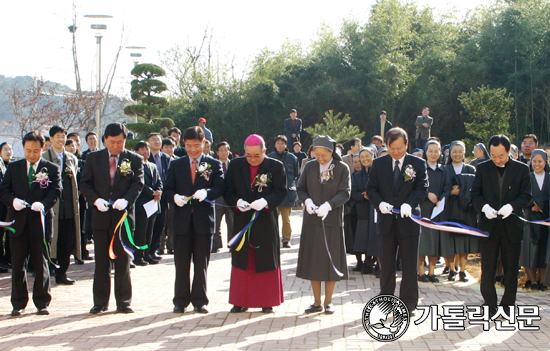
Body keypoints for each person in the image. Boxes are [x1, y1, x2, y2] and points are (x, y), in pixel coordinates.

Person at [80, 123, 144, 314]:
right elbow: (85, 183)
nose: (116, 146)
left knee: (122, 260)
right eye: (112, 142)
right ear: (105, 140)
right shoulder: (93, 158)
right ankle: (100, 302)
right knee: (101, 261)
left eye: (120, 142)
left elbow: (138, 183)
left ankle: (123, 301)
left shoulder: (134, 159)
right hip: (100, 216)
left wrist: (126, 200)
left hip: (122, 217)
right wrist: (95, 200)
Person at [366, 127, 428, 315]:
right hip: (386, 221)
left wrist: (410, 204)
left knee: (409, 265)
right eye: (392, 148)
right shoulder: (379, 164)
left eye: (400, 148)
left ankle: (408, 303)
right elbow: (371, 189)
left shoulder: (417, 163)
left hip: (408, 221)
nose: (396, 152)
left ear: (407, 145)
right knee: (386, 266)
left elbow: (422, 188)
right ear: (386, 145)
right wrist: (380, 204)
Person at [0, 131, 62, 316]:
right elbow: (3, 191)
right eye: (28, 150)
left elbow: (57, 191)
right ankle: (18, 303)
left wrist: (43, 204)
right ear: (23, 148)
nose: (32, 154)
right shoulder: (14, 167)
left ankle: (42, 302)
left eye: (36, 150)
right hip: (18, 223)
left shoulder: (50, 168)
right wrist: (12, 202)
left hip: (40, 222)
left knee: (41, 262)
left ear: (43, 148)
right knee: (18, 264)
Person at [164, 126, 224, 314]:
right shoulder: (176, 164)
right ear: (184, 144)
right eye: (189, 146)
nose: (193, 150)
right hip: (181, 221)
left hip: (203, 221)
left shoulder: (212, 164)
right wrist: (174, 198)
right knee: (181, 263)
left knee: (201, 262)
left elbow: (220, 188)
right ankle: (180, 301)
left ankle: (200, 300)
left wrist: (207, 192)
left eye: (197, 145)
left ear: (204, 143)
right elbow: (167, 190)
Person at [224, 134, 286, 313]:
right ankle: (239, 301)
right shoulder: (235, 165)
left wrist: (266, 201)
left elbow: (281, 191)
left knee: (265, 258)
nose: (252, 159)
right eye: (248, 155)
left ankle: (267, 301)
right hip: (242, 219)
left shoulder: (275, 166)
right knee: (242, 259)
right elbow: (227, 190)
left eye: (257, 156)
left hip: (265, 220)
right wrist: (236, 201)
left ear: (264, 151)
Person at [471, 134, 531, 318]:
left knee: (511, 267)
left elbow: (526, 196)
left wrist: (511, 206)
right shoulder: (482, 168)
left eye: (501, 156)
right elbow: (475, 194)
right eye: (493, 155)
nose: (497, 160)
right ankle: (489, 304)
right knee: (487, 266)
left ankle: (508, 304)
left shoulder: (521, 169)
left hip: (511, 225)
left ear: (509, 152)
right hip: (489, 225)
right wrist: (484, 207)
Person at [296, 135, 350, 314]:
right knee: (313, 262)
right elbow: (301, 188)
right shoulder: (309, 166)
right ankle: (316, 301)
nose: (320, 158)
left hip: (332, 221)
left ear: (331, 152)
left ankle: (328, 301)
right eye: (316, 154)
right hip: (312, 221)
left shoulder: (342, 168)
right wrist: (307, 201)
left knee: (330, 260)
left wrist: (330, 205)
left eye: (324, 155)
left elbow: (345, 192)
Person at [42, 126, 81, 285]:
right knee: (49, 241)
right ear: (50, 139)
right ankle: (45, 272)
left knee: (66, 241)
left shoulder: (72, 158)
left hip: (69, 208)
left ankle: (62, 273)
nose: (61, 139)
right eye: (57, 136)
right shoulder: (43, 157)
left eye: (63, 136)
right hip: (51, 208)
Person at [443, 141, 477, 282]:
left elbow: (476, 189)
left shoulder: (471, 170)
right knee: (450, 240)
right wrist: (451, 192)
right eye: (454, 151)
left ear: (464, 153)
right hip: (450, 208)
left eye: (460, 151)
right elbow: (442, 188)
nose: (457, 154)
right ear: (450, 153)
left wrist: (463, 192)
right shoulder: (445, 169)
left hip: (467, 209)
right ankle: (452, 269)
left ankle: (463, 270)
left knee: (465, 241)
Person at [418, 140, 451, 283]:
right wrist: (428, 195)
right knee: (422, 242)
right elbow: (415, 187)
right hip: (422, 209)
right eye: (430, 151)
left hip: (437, 211)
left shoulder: (443, 170)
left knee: (434, 242)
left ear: (440, 153)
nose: (433, 154)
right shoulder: (420, 168)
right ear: (425, 153)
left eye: (436, 151)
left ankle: (432, 272)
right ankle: (420, 272)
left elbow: (448, 188)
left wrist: (441, 199)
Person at [520, 149, 549, 291]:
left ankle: (543, 281)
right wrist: (533, 203)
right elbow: (521, 196)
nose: (537, 164)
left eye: (540, 161)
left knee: (543, 250)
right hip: (529, 218)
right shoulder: (526, 177)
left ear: (545, 162)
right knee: (529, 250)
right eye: (534, 161)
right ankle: (533, 280)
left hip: (546, 219)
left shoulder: (549, 178)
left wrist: (541, 204)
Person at [133, 141, 162, 266]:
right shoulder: (135, 165)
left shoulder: (152, 165)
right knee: (141, 230)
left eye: (147, 149)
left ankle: (148, 254)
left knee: (150, 230)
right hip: (142, 203)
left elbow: (159, 180)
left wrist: (159, 191)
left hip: (153, 203)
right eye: (142, 149)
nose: (145, 152)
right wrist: (151, 192)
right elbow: (140, 183)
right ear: (137, 152)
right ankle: (138, 256)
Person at [268, 135, 299, 249]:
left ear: (286, 145)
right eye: (278, 143)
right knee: (273, 220)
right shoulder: (269, 158)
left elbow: (296, 174)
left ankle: (286, 240)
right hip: (273, 195)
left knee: (286, 220)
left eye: (282, 143)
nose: (280, 145)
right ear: (275, 145)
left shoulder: (292, 158)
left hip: (287, 194)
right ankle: (274, 239)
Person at [351, 147, 376, 274]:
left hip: (376, 210)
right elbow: (353, 192)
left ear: (373, 156)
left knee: (374, 237)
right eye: (362, 157)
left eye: (367, 156)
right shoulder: (356, 176)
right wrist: (362, 195)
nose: (365, 159)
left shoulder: (378, 172)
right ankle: (363, 262)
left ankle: (373, 262)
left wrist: (373, 195)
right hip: (362, 210)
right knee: (362, 238)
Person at [147, 133, 170, 259]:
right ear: (148, 142)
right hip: (149, 197)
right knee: (149, 225)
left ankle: (154, 250)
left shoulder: (166, 158)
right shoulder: (145, 156)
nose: (157, 142)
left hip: (163, 196)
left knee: (160, 224)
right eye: (153, 140)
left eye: (158, 139)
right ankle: (146, 251)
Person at [212, 142, 233, 253]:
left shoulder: (234, 165)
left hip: (230, 199)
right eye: (221, 150)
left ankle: (232, 244)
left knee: (232, 223)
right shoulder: (214, 165)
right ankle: (216, 245)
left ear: (229, 152)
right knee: (216, 223)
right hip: (217, 199)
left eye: (226, 150)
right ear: (217, 152)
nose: (224, 152)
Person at [0, 142, 13, 270]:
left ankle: (7, 259)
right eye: (5, 149)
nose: (8, 152)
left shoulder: (12, 166)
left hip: (8, 205)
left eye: (10, 149)